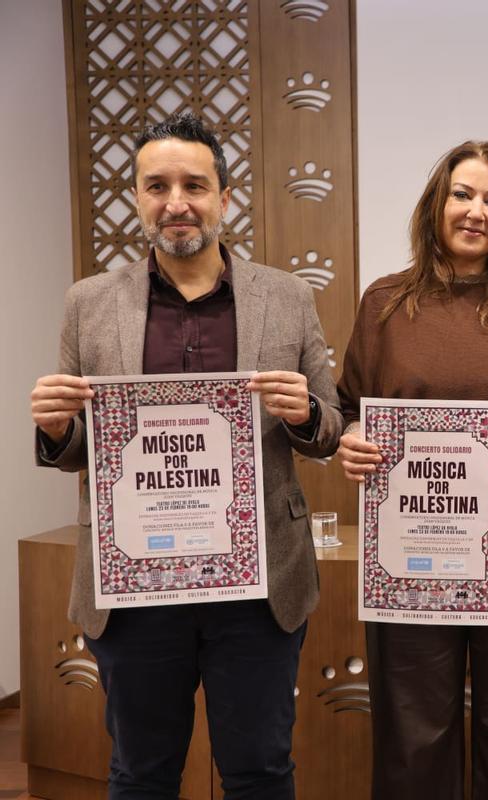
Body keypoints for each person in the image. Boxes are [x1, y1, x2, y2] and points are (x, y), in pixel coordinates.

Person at [29, 111, 343, 799]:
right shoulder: (89, 303)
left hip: (258, 587)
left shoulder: (287, 297)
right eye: (158, 186)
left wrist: (307, 413)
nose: (177, 203)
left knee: (259, 772)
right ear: (138, 197)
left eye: (195, 185)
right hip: (136, 588)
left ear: (225, 199)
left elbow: (332, 429)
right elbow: (86, 444)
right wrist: (56, 430)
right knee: (141, 774)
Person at [336, 140, 488, 799]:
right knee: (414, 730)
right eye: (463, 194)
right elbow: (345, 408)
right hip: (412, 549)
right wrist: (354, 436)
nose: (477, 211)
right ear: (435, 204)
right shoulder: (384, 303)